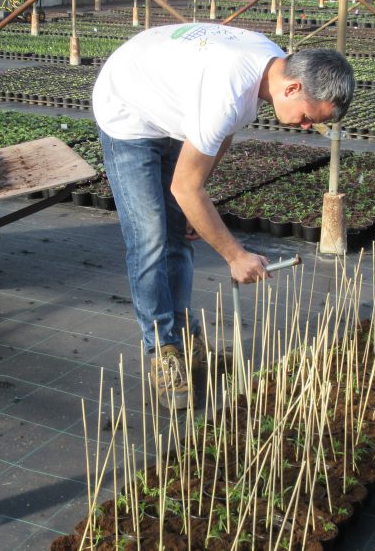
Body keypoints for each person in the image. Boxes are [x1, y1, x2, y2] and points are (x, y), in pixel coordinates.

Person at [92, 23, 354, 409]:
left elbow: (221, 134)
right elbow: (186, 185)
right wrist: (235, 255)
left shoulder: (273, 67)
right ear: (294, 88)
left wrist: (194, 208)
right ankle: (162, 351)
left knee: (178, 236)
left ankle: (184, 335)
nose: (305, 126)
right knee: (150, 239)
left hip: (172, 104)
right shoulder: (228, 90)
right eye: (306, 117)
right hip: (128, 110)